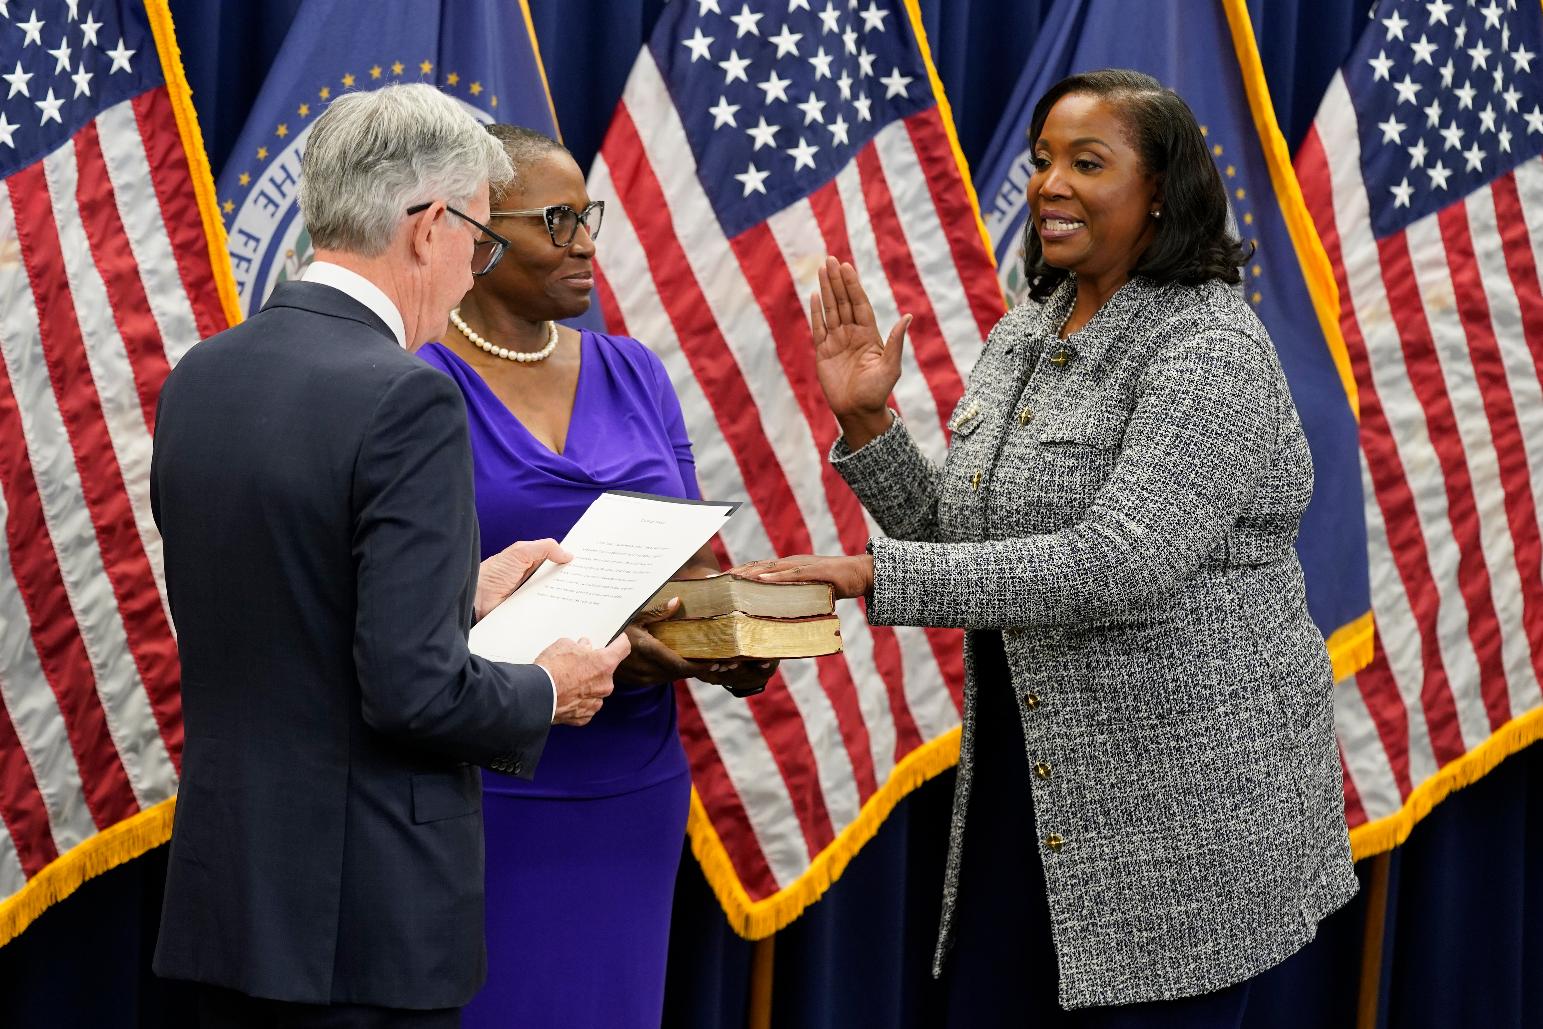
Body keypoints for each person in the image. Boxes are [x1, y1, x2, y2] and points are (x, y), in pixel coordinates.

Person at [739, 69, 1359, 1027]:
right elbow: (959, 540)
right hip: (1032, 797)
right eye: (1041, 162)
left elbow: (1121, 561)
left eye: (1086, 162)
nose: (1049, 184)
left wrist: (871, 576)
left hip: (1179, 827)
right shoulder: (1025, 326)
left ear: (1160, 192)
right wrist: (867, 421)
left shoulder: (1209, 345)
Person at [150, 84, 630, 1028]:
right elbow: (415, 693)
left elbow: (284, 604)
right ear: (426, 227)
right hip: (360, 928)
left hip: (226, 903)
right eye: (479, 241)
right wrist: (547, 686)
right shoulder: (405, 398)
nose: (471, 272)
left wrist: (460, 592)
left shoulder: (201, 372)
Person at [415, 124, 777, 1029]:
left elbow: (690, 564)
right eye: (558, 220)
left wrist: (730, 642)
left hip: (630, 782)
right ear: (474, 231)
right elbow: (393, 602)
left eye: (590, 217)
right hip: (482, 783)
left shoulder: (634, 369)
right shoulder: (411, 380)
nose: (586, 245)